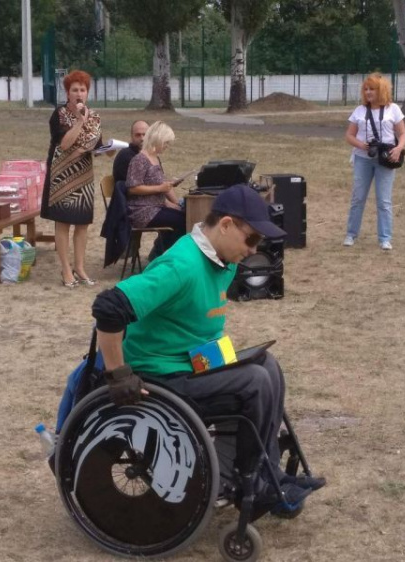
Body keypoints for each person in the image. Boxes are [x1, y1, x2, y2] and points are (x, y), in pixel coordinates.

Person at [91, 184, 325, 514]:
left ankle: (266, 476)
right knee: (255, 382)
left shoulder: (222, 259)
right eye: (251, 239)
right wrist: (118, 375)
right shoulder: (182, 266)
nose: (253, 249)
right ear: (226, 224)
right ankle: (251, 484)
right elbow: (108, 307)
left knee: (267, 366)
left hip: (190, 363)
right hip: (159, 375)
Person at [40, 70, 102, 287]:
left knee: (82, 223)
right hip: (62, 175)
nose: (79, 93)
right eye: (74, 90)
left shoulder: (94, 116)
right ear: (67, 93)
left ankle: (80, 267)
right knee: (64, 222)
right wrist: (78, 121)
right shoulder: (58, 115)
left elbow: (96, 144)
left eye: (82, 90)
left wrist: (108, 150)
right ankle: (66, 270)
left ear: (87, 93)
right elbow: (65, 144)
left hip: (84, 175)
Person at [342, 73, 405, 251]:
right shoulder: (359, 111)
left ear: (382, 90)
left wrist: (398, 148)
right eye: (366, 89)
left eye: (373, 89)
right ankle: (351, 234)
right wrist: (361, 145)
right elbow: (349, 135)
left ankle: (385, 238)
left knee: (384, 201)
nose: (369, 92)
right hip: (363, 159)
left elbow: (403, 134)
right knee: (358, 198)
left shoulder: (393, 109)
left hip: (385, 159)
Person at [125, 121, 186, 260]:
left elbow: (157, 183)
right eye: (166, 143)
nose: (166, 147)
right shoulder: (140, 159)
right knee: (182, 221)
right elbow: (133, 188)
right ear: (158, 139)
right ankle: (165, 257)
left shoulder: (155, 158)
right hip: (143, 211)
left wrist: (169, 186)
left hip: (157, 207)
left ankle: (161, 253)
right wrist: (160, 188)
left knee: (185, 215)